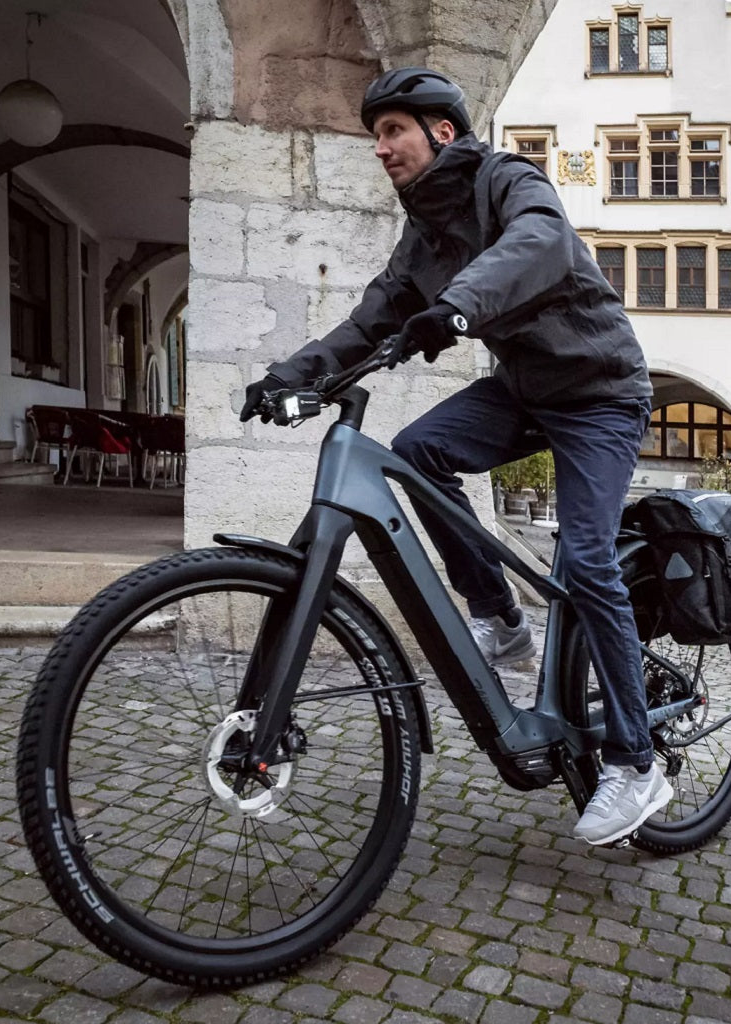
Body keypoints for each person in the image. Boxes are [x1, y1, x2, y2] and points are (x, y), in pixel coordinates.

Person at [240, 67, 670, 845]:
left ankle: (637, 762)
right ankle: (502, 618)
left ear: (441, 131)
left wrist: (457, 308)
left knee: (587, 558)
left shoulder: (507, 179)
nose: (381, 148)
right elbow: (370, 318)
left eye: (392, 130)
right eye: (375, 136)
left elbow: (538, 244)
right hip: (527, 391)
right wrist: (290, 374)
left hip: (601, 392)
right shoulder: (425, 235)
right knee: (418, 451)